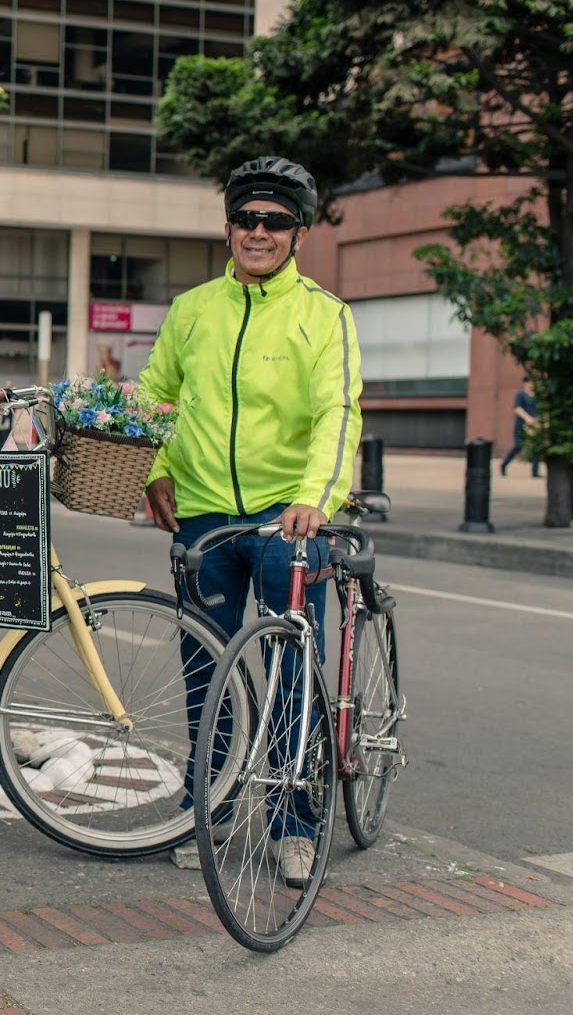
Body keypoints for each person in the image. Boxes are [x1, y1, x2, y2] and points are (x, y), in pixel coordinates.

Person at [138, 156, 363, 885]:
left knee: (293, 672)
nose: (258, 232)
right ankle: (213, 806)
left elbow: (339, 411)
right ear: (228, 226)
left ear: (297, 232)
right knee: (208, 673)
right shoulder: (193, 309)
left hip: (286, 519)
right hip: (203, 515)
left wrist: (316, 498)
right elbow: (153, 391)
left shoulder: (324, 314)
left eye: (275, 221)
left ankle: (296, 821)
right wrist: (155, 469)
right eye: (246, 219)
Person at [500, 375, 540, 477]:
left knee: (536, 447)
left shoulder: (537, 396)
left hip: (534, 425)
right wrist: (527, 418)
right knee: (518, 446)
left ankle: (535, 472)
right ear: (525, 383)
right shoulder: (520, 394)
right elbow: (517, 408)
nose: (532, 384)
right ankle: (504, 464)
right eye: (530, 382)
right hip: (521, 424)